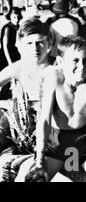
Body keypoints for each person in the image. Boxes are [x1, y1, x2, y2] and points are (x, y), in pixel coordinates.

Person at [23, 36, 86, 182]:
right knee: (36, 178)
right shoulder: (53, 78)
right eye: (75, 60)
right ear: (61, 62)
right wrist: (40, 160)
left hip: (84, 143)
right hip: (56, 144)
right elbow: (44, 120)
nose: (82, 66)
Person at [0, 19, 53, 181]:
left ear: (49, 43)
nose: (35, 48)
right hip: (21, 132)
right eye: (29, 43)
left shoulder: (57, 68)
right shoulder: (18, 68)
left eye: (40, 43)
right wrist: (4, 104)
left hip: (52, 131)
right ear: (19, 45)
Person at [0, 7, 22, 72]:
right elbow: (5, 47)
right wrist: (10, 62)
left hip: (14, 53)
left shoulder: (18, 26)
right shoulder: (7, 28)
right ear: (10, 17)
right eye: (14, 17)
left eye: (18, 17)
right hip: (5, 56)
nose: (17, 19)